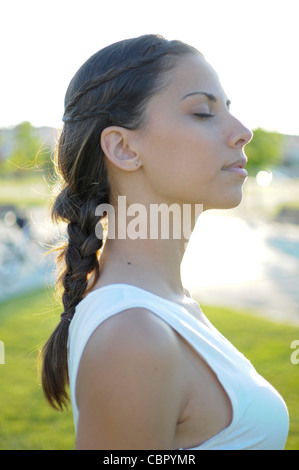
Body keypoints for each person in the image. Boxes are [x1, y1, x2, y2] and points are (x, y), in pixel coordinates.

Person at [41, 34, 289, 450]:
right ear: (123, 147)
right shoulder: (132, 337)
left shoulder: (161, 305)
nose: (243, 132)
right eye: (202, 112)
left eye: (227, 110)